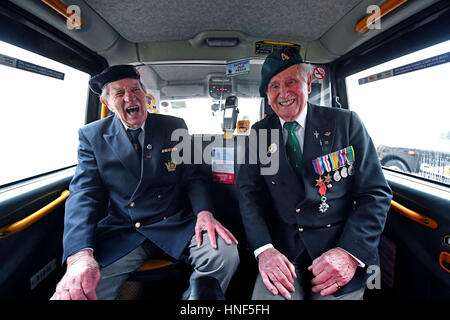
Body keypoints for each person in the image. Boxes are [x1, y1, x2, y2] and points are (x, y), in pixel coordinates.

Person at [52, 65, 239, 300]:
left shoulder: (174, 126)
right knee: (76, 291)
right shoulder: (92, 136)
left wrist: (204, 213)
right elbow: (84, 194)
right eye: (119, 93)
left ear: (145, 94)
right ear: (107, 102)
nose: (130, 97)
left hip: (175, 224)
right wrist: (79, 255)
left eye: (135, 89)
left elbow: (194, 177)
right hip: (125, 230)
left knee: (225, 254)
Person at [236, 47, 392, 300]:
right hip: (282, 250)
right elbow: (248, 197)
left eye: (291, 82)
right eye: (274, 86)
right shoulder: (258, 134)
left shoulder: (346, 123)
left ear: (308, 83)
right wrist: (264, 250)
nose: (283, 93)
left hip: (338, 243)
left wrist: (349, 253)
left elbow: (375, 194)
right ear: (267, 95)